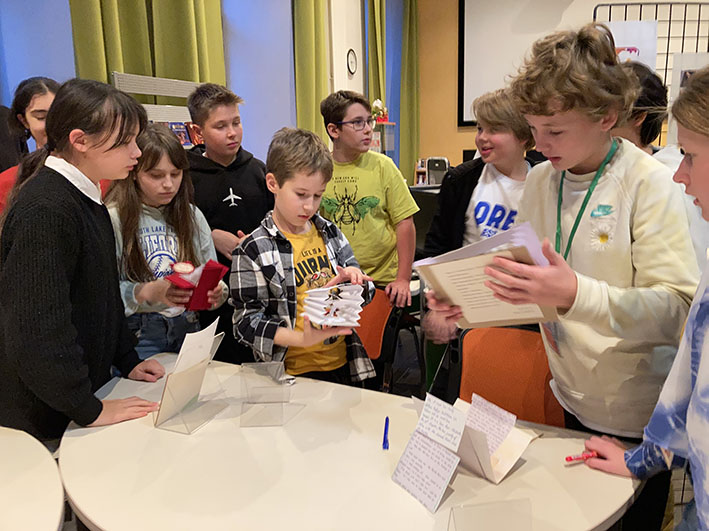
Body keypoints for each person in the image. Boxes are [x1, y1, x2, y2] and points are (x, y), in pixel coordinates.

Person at [426, 24, 698, 529]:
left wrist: (575, 294)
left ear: (606, 118)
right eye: (534, 129)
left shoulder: (649, 183)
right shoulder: (540, 180)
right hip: (567, 395)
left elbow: (675, 311)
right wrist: (468, 301)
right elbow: (531, 287)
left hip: (637, 418)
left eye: (555, 131)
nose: (540, 143)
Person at [0, 78, 164, 444]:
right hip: (43, 419)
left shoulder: (85, 198)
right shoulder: (46, 208)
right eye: (125, 142)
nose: (137, 152)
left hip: (80, 399)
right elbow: (36, 330)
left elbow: (102, 296)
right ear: (80, 140)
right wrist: (87, 408)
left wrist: (128, 359)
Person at [585, 65, 709, 531]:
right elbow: (690, 384)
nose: (680, 175)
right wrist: (644, 458)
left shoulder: (648, 184)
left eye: (690, 156)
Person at [231, 127, 375, 385]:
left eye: (318, 195)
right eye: (300, 195)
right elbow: (246, 323)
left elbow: (366, 291)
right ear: (273, 183)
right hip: (289, 374)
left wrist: (355, 282)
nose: (310, 205)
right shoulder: (253, 249)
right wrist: (301, 339)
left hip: (342, 363)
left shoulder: (329, 232)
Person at [105, 124, 228, 360]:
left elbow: (211, 274)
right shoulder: (114, 218)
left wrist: (216, 292)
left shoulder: (192, 215)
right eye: (156, 175)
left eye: (176, 174)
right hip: (139, 333)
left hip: (188, 326)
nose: (169, 184)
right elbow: (102, 295)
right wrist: (146, 291)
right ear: (134, 173)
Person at [186, 83, 274, 364]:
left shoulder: (259, 171)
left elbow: (276, 222)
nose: (232, 132)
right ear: (198, 131)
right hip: (211, 298)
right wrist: (210, 236)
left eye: (236, 122)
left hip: (258, 292)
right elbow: (175, 228)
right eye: (220, 126)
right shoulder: (184, 176)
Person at [319, 90, 419, 308]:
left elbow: (404, 222)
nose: (367, 129)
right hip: (339, 279)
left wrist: (402, 279)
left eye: (368, 121)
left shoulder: (383, 166)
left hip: (383, 281)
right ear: (333, 130)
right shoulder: (320, 169)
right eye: (357, 123)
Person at [612, 61, 709, 270]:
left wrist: (576, 287)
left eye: (610, 115)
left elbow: (684, 271)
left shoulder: (663, 176)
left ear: (639, 117)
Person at [423, 88, 536, 258]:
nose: (482, 137)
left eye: (494, 129)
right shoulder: (460, 180)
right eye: (480, 128)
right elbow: (436, 245)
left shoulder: (544, 183)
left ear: (522, 136)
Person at [0, 77, 60, 213]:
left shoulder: (94, 170)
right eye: (41, 117)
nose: (51, 124)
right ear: (24, 121)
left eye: (58, 115)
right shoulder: (7, 183)